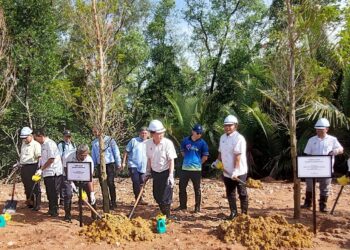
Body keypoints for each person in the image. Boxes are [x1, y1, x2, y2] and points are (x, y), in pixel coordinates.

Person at [302, 118, 343, 213]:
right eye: (317, 129)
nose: (319, 131)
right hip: (313, 168)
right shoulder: (311, 140)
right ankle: (308, 203)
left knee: (325, 187)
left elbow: (341, 149)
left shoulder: (332, 140)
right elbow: (307, 154)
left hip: (326, 168)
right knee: (309, 185)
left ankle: (322, 205)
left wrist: (335, 151)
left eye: (321, 129)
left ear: (326, 129)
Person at [216, 115, 248, 220]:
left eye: (230, 125)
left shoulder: (239, 138)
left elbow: (238, 156)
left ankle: (244, 215)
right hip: (227, 171)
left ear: (235, 126)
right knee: (230, 193)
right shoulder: (222, 137)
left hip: (239, 171)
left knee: (242, 192)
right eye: (226, 125)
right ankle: (233, 213)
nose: (227, 127)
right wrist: (218, 161)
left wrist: (236, 171)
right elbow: (221, 151)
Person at [145, 120, 177, 218]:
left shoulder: (168, 143)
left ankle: (167, 216)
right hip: (155, 172)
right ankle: (163, 212)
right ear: (152, 134)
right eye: (159, 133)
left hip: (166, 171)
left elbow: (171, 160)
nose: (161, 135)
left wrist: (171, 175)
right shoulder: (148, 143)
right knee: (156, 195)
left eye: (162, 133)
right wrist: (148, 172)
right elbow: (149, 159)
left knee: (166, 196)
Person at [174, 124, 209, 213]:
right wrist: (187, 159)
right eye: (197, 132)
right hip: (185, 169)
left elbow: (205, 156)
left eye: (200, 133)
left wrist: (198, 163)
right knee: (182, 188)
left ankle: (197, 208)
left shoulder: (203, 143)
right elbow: (182, 151)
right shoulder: (185, 140)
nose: (199, 134)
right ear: (193, 131)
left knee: (197, 189)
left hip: (196, 170)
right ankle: (182, 206)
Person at [62, 144, 95, 222]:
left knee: (91, 197)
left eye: (85, 155)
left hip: (84, 177)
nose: (83, 157)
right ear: (77, 153)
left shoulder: (89, 160)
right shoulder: (68, 156)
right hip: (69, 176)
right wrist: (71, 182)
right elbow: (66, 170)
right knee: (68, 194)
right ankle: (67, 215)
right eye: (82, 155)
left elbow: (90, 178)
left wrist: (92, 193)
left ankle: (94, 216)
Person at [33, 128, 63, 217]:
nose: (35, 140)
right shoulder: (42, 145)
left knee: (54, 192)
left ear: (41, 136)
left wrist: (41, 169)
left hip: (54, 172)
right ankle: (51, 209)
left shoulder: (50, 144)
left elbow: (51, 159)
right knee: (49, 191)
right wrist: (39, 168)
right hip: (47, 172)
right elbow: (42, 159)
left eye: (36, 138)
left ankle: (55, 210)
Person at [91, 127, 121, 210]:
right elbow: (93, 156)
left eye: (96, 131)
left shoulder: (110, 140)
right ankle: (106, 202)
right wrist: (93, 167)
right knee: (102, 184)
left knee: (110, 183)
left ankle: (113, 202)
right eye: (94, 132)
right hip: (100, 165)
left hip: (109, 164)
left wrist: (118, 163)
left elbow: (116, 151)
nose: (95, 133)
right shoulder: (94, 143)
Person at [121, 127, 149, 204]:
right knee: (136, 181)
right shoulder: (134, 141)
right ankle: (138, 198)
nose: (144, 135)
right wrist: (123, 163)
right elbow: (126, 151)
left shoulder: (150, 142)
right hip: (133, 165)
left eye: (145, 133)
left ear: (148, 134)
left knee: (142, 182)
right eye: (142, 133)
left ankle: (141, 198)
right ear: (139, 133)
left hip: (144, 165)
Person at [19, 127, 42, 211]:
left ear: (30, 135)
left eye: (25, 137)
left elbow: (39, 157)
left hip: (33, 166)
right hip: (24, 167)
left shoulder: (36, 144)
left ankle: (37, 204)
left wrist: (39, 169)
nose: (24, 139)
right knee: (27, 186)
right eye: (23, 138)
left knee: (35, 186)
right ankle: (30, 203)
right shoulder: (23, 143)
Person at [57, 129, 76, 205]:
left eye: (69, 136)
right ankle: (62, 198)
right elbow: (60, 156)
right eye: (66, 136)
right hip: (63, 165)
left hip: (72, 165)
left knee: (71, 181)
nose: (67, 138)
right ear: (63, 137)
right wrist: (62, 166)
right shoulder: (61, 145)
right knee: (63, 182)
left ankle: (70, 196)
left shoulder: (73, 144)